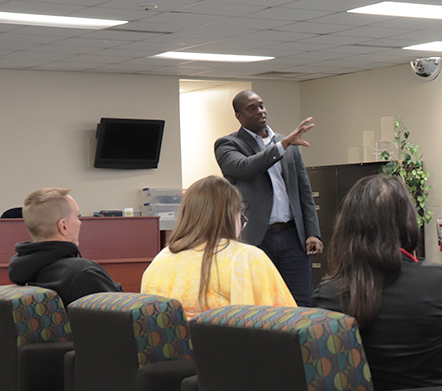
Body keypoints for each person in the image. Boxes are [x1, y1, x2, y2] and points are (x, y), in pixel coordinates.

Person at [311, 175, 442, 391]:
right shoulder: (440, 281)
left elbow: (328, 375)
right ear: (407, 223)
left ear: (346, 226)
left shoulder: (326, 296)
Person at [214, 90, 321, 307]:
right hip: (257, 238)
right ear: (239, 116)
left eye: (261, 106)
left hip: (293, 236)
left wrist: (313, 233)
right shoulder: (228, 144)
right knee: (261, 302)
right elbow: (245, 168)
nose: (260, 111)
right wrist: (282, 146)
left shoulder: (287, 142)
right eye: (252, 108)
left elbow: (304, 191)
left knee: (301, 302)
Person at [141, 176, 296, 319]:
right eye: (240, 211)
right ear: (229, 214)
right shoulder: (246, 257)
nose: (243, 220)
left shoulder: (161, 259)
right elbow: (287, 320)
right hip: (223, 347)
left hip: (171, 348)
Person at [8, 188, 123, 306]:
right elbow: (124, 320)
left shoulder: (22, 273)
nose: (80, 222)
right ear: (63, 226)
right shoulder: (83, 274)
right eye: (77, 216)